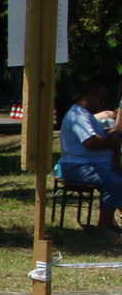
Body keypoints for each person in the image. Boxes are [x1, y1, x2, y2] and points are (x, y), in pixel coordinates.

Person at [59, 81, 122, 235]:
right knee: (114, 182)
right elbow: (90, 141)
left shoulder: (85, 115)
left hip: (90, 164)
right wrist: (109, 141)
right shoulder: (77, 115)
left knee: (118, 178)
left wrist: (110, 135)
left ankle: (111, 221)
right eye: (100, 99)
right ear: (89, 96)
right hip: (77, 166)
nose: (102, 103)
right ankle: (104, 225)